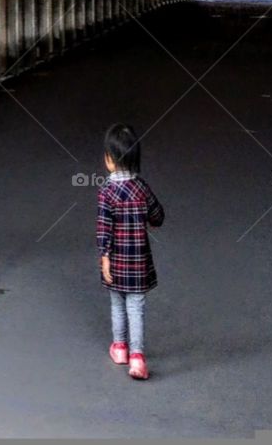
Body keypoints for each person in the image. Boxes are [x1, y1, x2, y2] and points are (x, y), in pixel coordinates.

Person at [97, 123, 164, 381]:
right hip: (137, 262)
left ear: (109, 160)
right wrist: (150, 221)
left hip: (115, 261)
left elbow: (104, 229)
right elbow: (158, 215)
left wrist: (105, 258)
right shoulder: (141, 188)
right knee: (136, 306)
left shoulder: (107, 192)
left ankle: (120, 348)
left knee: (117, 304)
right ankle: (137, 357)